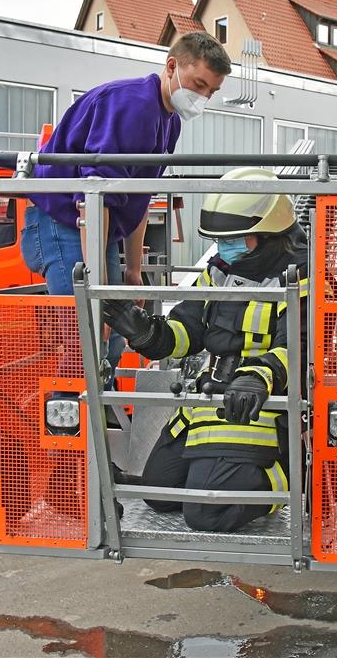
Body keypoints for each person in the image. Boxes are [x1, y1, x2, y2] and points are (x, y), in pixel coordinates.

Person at [100, 168, 308, 533]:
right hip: (208, 404)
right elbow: (188, 329)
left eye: (232, 239)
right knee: (158, 496)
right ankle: (218, 474)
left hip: (258, 410)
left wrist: (256, 377)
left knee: (205, 515)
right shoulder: (220, 270)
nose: (222, 249)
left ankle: (285, 480)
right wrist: (145, 331)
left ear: (267, 232)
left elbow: (299, 344)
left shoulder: (300, 275)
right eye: (218, 240)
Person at [21, 31, 231, 295]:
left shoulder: (170, 121)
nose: (203, 97)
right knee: (88, 328)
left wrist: (134, 270)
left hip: (97, 227)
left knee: (111, 328)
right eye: (199, 84)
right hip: (64, 220)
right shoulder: (133, 105)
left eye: (211, 91)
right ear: (171, 67)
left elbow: (140, 195)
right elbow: (94, 192)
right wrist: (99, 290)